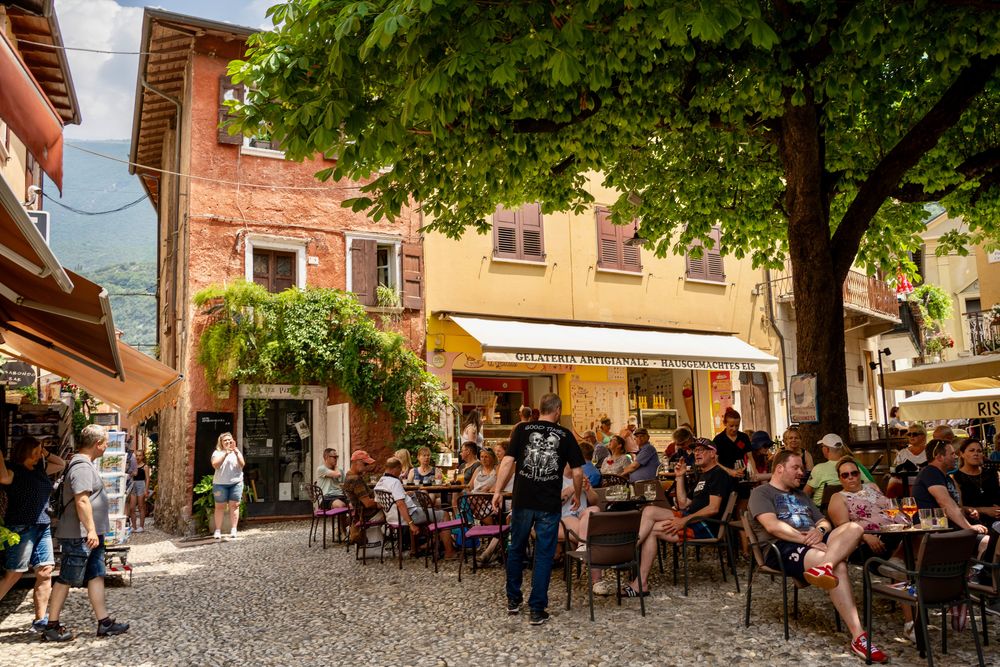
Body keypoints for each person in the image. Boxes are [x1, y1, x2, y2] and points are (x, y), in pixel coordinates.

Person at [748, 450, 886, 663]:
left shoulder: (801, 495)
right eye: (796, 467)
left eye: (802, 468)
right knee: (839, 567)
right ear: (779, 468)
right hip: (782, 548)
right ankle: (859, 636)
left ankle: (824, 565)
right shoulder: (762, 493)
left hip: (816, 544)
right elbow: (772, 526)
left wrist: (819, 532)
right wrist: (807, 540)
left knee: (855, 527)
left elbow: (824, 522)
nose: (802, 473)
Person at [492, 393, 584, 626]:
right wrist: (576, 492)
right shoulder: (565, 435)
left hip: (522, 501)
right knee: (543, 555)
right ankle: (536, 609)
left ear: (539, 409)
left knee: (516, 549)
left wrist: (497, 491)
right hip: (548, 504)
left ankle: (513, 601)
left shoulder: (522, 430)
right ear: (558, 410)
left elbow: (506, 462)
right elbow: (578, 471)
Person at [43, 424, 129, 642]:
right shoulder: (81, 467)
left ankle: (104, 623)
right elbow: (81, 500)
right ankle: (51, 626)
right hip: (80, 535)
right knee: (66, 579)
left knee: (96, 574)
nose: (107, 447)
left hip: (90, 535)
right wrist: (90, 529)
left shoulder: (85, 464)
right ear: (97, 444)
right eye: (106, 443)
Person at [623, 438, 731, 596]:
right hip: (690, 517)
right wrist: (679, 477)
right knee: (649, 510)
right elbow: (683, 503)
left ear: (713, 453)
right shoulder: (704, 475)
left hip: (704, 525)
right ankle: (629, 552)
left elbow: (713, 509)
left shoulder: (719, 475)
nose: (696, 453)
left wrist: (684, 520)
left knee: (652, 529)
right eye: (695, 450)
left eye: (701, 450)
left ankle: (634, 570)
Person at [0, 437, 65, 633]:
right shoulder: (13, 470)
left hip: (42, 526)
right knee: (14, 574)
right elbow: (2, 478)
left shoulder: (40, 469)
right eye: (36, 450)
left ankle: (40, 620)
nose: (40, 454)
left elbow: (60, 463)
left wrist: (45, 453)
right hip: (22, 527)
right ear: (26, 450)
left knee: (45, 572)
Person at [374, 457, 458, 558]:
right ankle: (449, 552)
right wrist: (411, 524)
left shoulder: (379, 483)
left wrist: (405, 495)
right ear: (395, 469)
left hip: (391, 518)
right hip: (408, 516)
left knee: (430, 510)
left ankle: (419, 548)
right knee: (443, 514)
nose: (400, 473)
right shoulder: (395, 482)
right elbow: (400, 504)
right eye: (399, 470)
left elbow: (379, 504)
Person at [912, 439, 988, 537]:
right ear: (939, 457)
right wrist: (969, 527)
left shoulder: (946, 477)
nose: (956, 457)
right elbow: (944, 502)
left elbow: (954, 505)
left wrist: (967, 510)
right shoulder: (930, 472)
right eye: (952, 454)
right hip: (932, 531)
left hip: (945, 528)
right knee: (985, 541)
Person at [804, 434, 874, 506]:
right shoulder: (852, 467)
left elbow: (806, 493)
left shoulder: (818, 469)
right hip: (849, 507)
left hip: (823, 512)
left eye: (822, 447)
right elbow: (869, 484)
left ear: (826, 449)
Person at [953, 438, 1000, 523]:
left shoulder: (992, 473)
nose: (976, 454)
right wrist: (984, 510)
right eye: (972, 450)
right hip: (974, 522)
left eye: (979, 451)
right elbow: (957, 507)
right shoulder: (956, 478)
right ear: (962, 454)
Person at [210, 432, 245, 539]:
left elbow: (242, 464)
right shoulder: (217, 453)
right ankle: (218, 530)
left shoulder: (236, 451)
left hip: (236, 483)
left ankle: (233, 529)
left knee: (234, 506)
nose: (228, 442)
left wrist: (236, 452)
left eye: (229, 440)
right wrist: (225, 453)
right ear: (221, 442)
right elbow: (215, 465)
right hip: (220, 484)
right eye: (225, 440)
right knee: (219, 507)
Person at [712, 407, 752, 479]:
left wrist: (753, 473)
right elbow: (714, 461)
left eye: (737, 426)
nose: (734, 429)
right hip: (724, 478)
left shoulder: (744, 437)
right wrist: (730, 471)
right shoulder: (718, 439)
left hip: (742, 476)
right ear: (725, 423)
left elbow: (750, 458)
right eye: (731, 426)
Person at [126, 450, 149, 533]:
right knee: (132, 508)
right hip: (133, 485)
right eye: (137, 455)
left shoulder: (145, 466)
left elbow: (147, 479)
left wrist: (146, 489)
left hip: (141, 485)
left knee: (141, 507)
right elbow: (129, 476)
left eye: (140, 455)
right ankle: (134, 527)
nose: (138, 457)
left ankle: (141, 527)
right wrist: (132, 474)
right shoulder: (133, 466)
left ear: (143, 457)